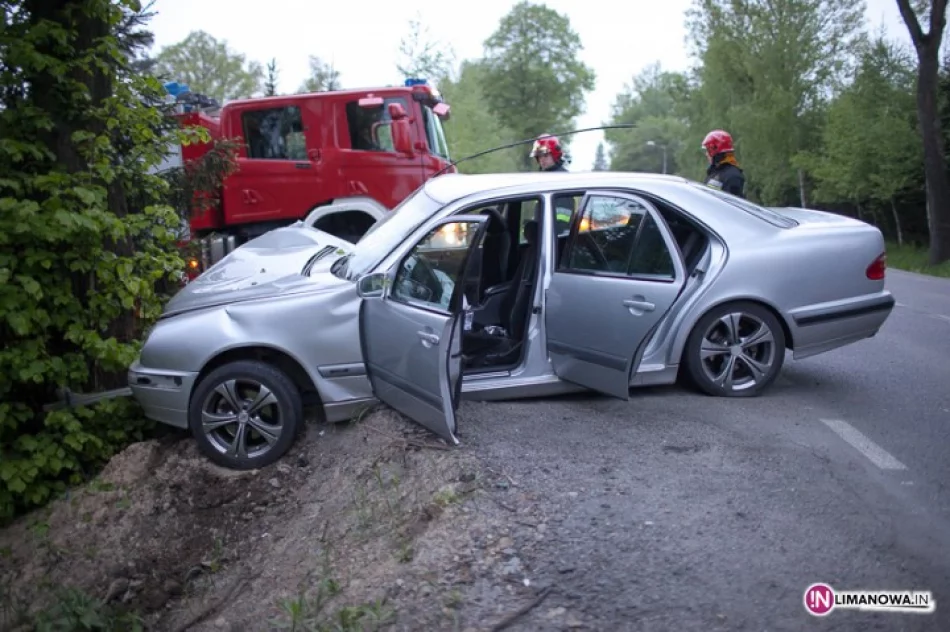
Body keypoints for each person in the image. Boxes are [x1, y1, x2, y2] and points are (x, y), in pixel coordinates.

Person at [529, 134, 574, 233]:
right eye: (539, 156)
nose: (542, 160)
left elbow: (560, 223)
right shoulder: (544, 179)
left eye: (545, 155)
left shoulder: (562, 179)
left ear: (555, 154)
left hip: (557, 240)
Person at [702, 129, 745, 198]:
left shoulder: (733, 176)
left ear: (717, 152)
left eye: (708, 150)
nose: (706, 154)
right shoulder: (714, 172)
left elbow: (730, 204)